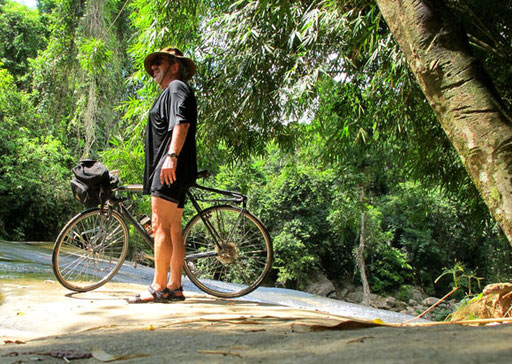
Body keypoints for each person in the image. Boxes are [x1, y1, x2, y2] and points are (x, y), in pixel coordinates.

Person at [128, 47, 197, 303]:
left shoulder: (177, 87)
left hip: (170, 167)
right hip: (175, 167)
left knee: (160, 227)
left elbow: (182, 123)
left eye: (160, 62)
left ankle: (158, 286)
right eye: (153, 64)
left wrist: (171, 157)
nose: (154, 67)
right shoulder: (173, 91)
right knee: (174, 229)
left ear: (175, 66)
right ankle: (175, 286)